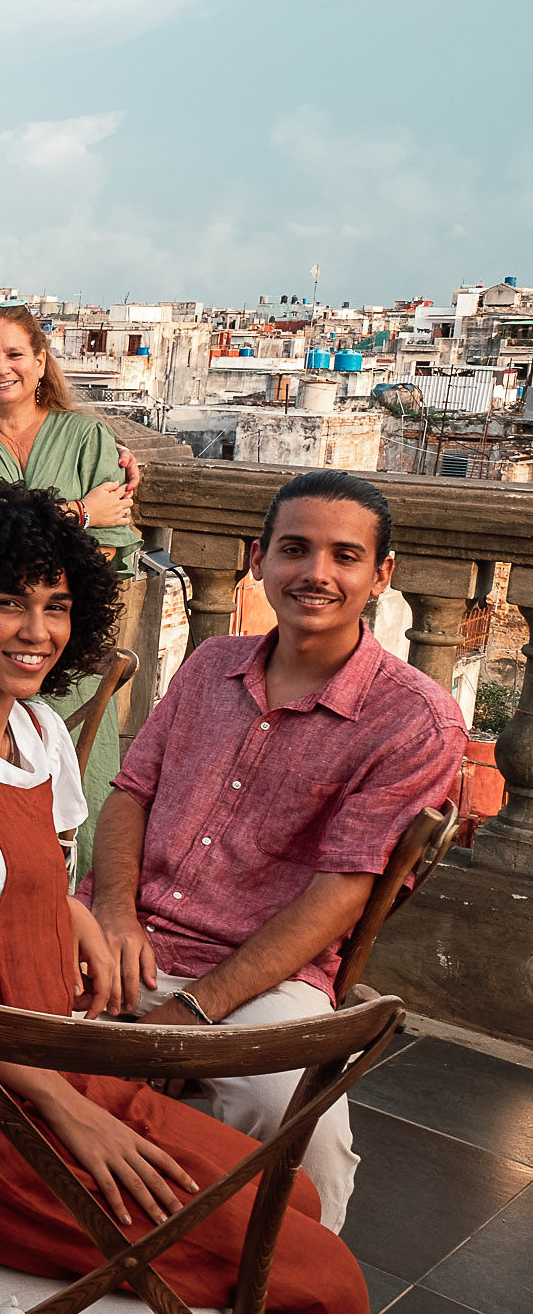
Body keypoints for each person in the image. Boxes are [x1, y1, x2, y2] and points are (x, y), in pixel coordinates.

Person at [0, 479, 364, 1314]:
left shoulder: (37, 731)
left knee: (293, 1205)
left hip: (46, 1056)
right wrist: (61, 1106)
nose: (39, 631)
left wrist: (77, 917)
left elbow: (27, 869)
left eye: (58, 604)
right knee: (315, 1274)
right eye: (9, 603)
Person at [86, 470, 465, 1232]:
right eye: (295, 550)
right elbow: (130, 794)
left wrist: (195, 1012)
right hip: (122, 934)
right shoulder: (206, 667)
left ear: (380, 575)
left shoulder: (414, 720)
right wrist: (112, 912)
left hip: (267, 973)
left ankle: (286, 1281)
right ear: (259, 559)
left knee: (299, 1125)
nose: (316, 574)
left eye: (344, 556)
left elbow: (343, 890)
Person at [0, 304, 141, 852]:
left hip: (71, 648)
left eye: (15, 354)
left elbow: (107, 555)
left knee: (82, 788)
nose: (2, 368)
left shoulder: (88, 437)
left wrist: (46, 567)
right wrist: (80, 515)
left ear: (41, 362)